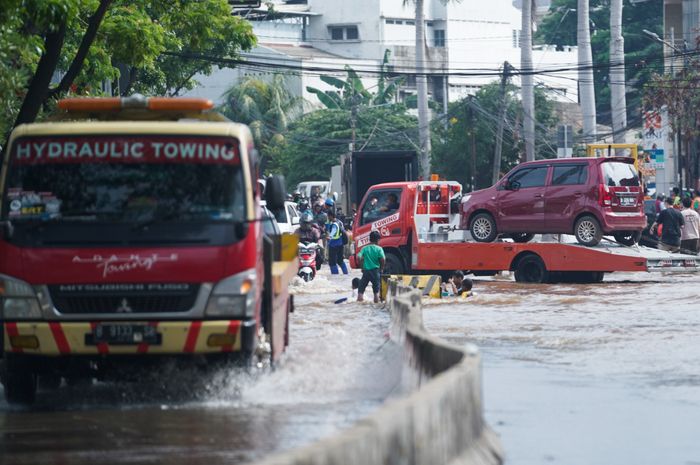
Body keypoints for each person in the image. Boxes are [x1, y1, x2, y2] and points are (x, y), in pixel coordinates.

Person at [357, 231, 385, 303]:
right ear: (377, 240)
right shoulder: (379, 249)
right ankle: (376, 306)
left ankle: (359, 305)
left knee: (361, 290)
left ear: (370, 239)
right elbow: (383, 259)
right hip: (375, 272)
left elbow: (358, 257)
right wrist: (381, 269)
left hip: (366, 272)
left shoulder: (364, 248)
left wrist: (362, 267)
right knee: (376, 291)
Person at [325, 210, 348, 275]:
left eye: (328, 216)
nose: (328, 218)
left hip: (333, 245)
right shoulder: (339, 222)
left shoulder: (334, 224)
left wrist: (329, 237)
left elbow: (333, 232)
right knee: (340, 261)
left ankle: (335, 276)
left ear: (331, 216)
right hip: (341, 244)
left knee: (332, 262)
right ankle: (346, 274)